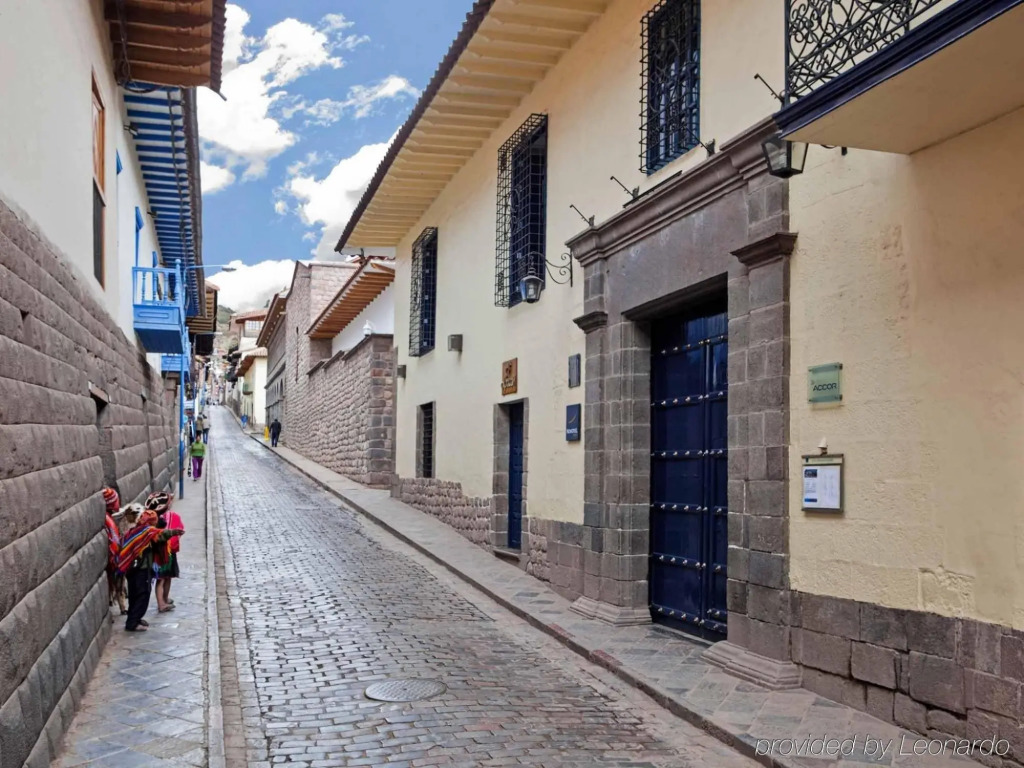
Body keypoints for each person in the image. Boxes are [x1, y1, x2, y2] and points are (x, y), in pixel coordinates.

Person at [117, 500, 183, 632]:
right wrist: (174, 532)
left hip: (131, 569)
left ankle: (134, 618)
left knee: (134, 596)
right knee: (142, 595)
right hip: (141, 569)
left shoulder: (134, 531)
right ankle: (133, 623)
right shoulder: (147, 532)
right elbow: (160, 535)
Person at [148, 493, 183, 613]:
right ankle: (162, 603)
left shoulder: (152, 519)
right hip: (164, 553)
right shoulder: (172, 517)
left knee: (163, 578)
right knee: (164, 578)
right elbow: (179, 530)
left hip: (159, 553)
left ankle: (164, 600)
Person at [102, 487, 127, 614]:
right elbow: (114, 542)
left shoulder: (107, 518)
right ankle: (121, 605)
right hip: (114, 558)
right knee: (117, 582)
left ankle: (117, 602)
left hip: (112, 557)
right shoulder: (108, 521)